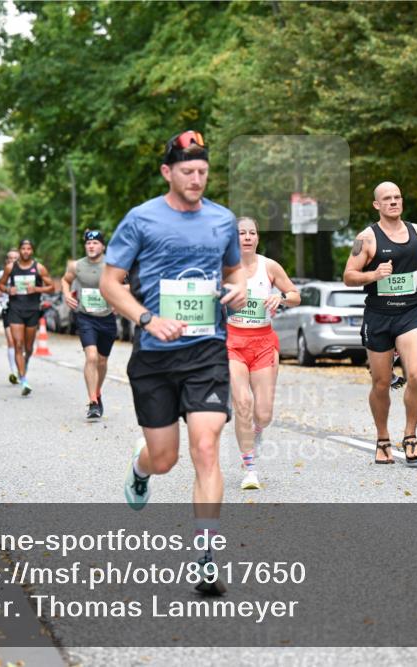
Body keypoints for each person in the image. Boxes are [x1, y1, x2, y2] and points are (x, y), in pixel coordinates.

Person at [100, 129, 245, 594]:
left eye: (203, 171)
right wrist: (146, 318)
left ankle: (205, 556)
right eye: (188, 171)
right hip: (155, 357)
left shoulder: (222, 221)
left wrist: (239, 288)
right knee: (165, 458)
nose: (197, 179)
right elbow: (110, 282)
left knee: (206, 447)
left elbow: (233, 271)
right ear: (168, 172)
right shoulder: (141, 219)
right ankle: (142, 470)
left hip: (206, 352)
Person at [342, 182, 417, 465]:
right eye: (387, 199)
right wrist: (373, 276)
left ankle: (410, 436)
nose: (394, 202)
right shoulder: (365, 238)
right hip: (378, 316)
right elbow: (348, 275)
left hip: (409, 313)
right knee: (381, 383)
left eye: (397, 197)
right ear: (377, 205)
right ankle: (382, 438)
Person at [226, 217, 300, 490]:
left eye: (251, 233)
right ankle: (250, 469)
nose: (247, 237)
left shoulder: (269, 266)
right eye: (241, 233)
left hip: (263, 343)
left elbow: (295, 294)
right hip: (232, 342)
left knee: (264, 414)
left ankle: (257, 431)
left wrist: (280, 298)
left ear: (257, 237)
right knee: (242, 403)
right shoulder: (223, 267)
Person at [61, 230, 119, 420]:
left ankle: (98, 391)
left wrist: (117, 300)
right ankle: (93, 401)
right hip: (86, 317)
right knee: (91, 357)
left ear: (103, 246)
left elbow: (126, 286)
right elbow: (65, 280)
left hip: (107, 318)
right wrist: (67, 294)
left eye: (95, 243)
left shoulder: (113, 265)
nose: (91, 246)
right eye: (88, 243)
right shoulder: (76, 265)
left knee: (102, 361)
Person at [0, 239, 54, 396]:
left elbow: (52, 287)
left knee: (28, 348)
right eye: (23, 248)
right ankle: (23, 380)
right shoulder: (11, 267)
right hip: (15, 310)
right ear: (20, 250)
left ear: (32, 251)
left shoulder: (38, 268)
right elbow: (0, 285)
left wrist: (36, 288)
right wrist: (9, 290)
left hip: (32, 310)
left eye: (29, 248)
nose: (26, 251)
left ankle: (25, 362)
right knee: (18, 344)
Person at [0, 249, 21, 384]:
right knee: (11, 341)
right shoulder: (1, 274)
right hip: (8, 309)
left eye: (15, 258)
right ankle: (13, 372)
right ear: (7, 261)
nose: (12, 261)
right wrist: (3, 291)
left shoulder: (26, 272)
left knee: (20, 343)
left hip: (23, 310)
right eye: (10, 259)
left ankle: (20, 368)